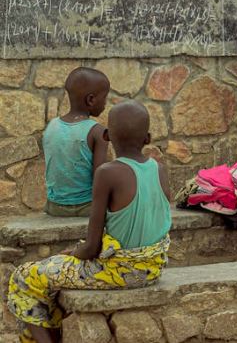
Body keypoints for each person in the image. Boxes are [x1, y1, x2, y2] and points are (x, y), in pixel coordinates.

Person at [7, 101, 172, 343]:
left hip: (117, 272)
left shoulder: (107, 173)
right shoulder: (159, 168)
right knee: (52, 278)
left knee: (24, 277)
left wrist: (76, 252)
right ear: (147, 138)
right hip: (152, 269)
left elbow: (92, 246)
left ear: (107, 136)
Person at [42, 67, 111, 217]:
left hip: (54, 206)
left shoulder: (51, 126)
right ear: (91, 100)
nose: (106, 103)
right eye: (105, 98)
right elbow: (100, 178)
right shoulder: (98, 132)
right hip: (87, 207)